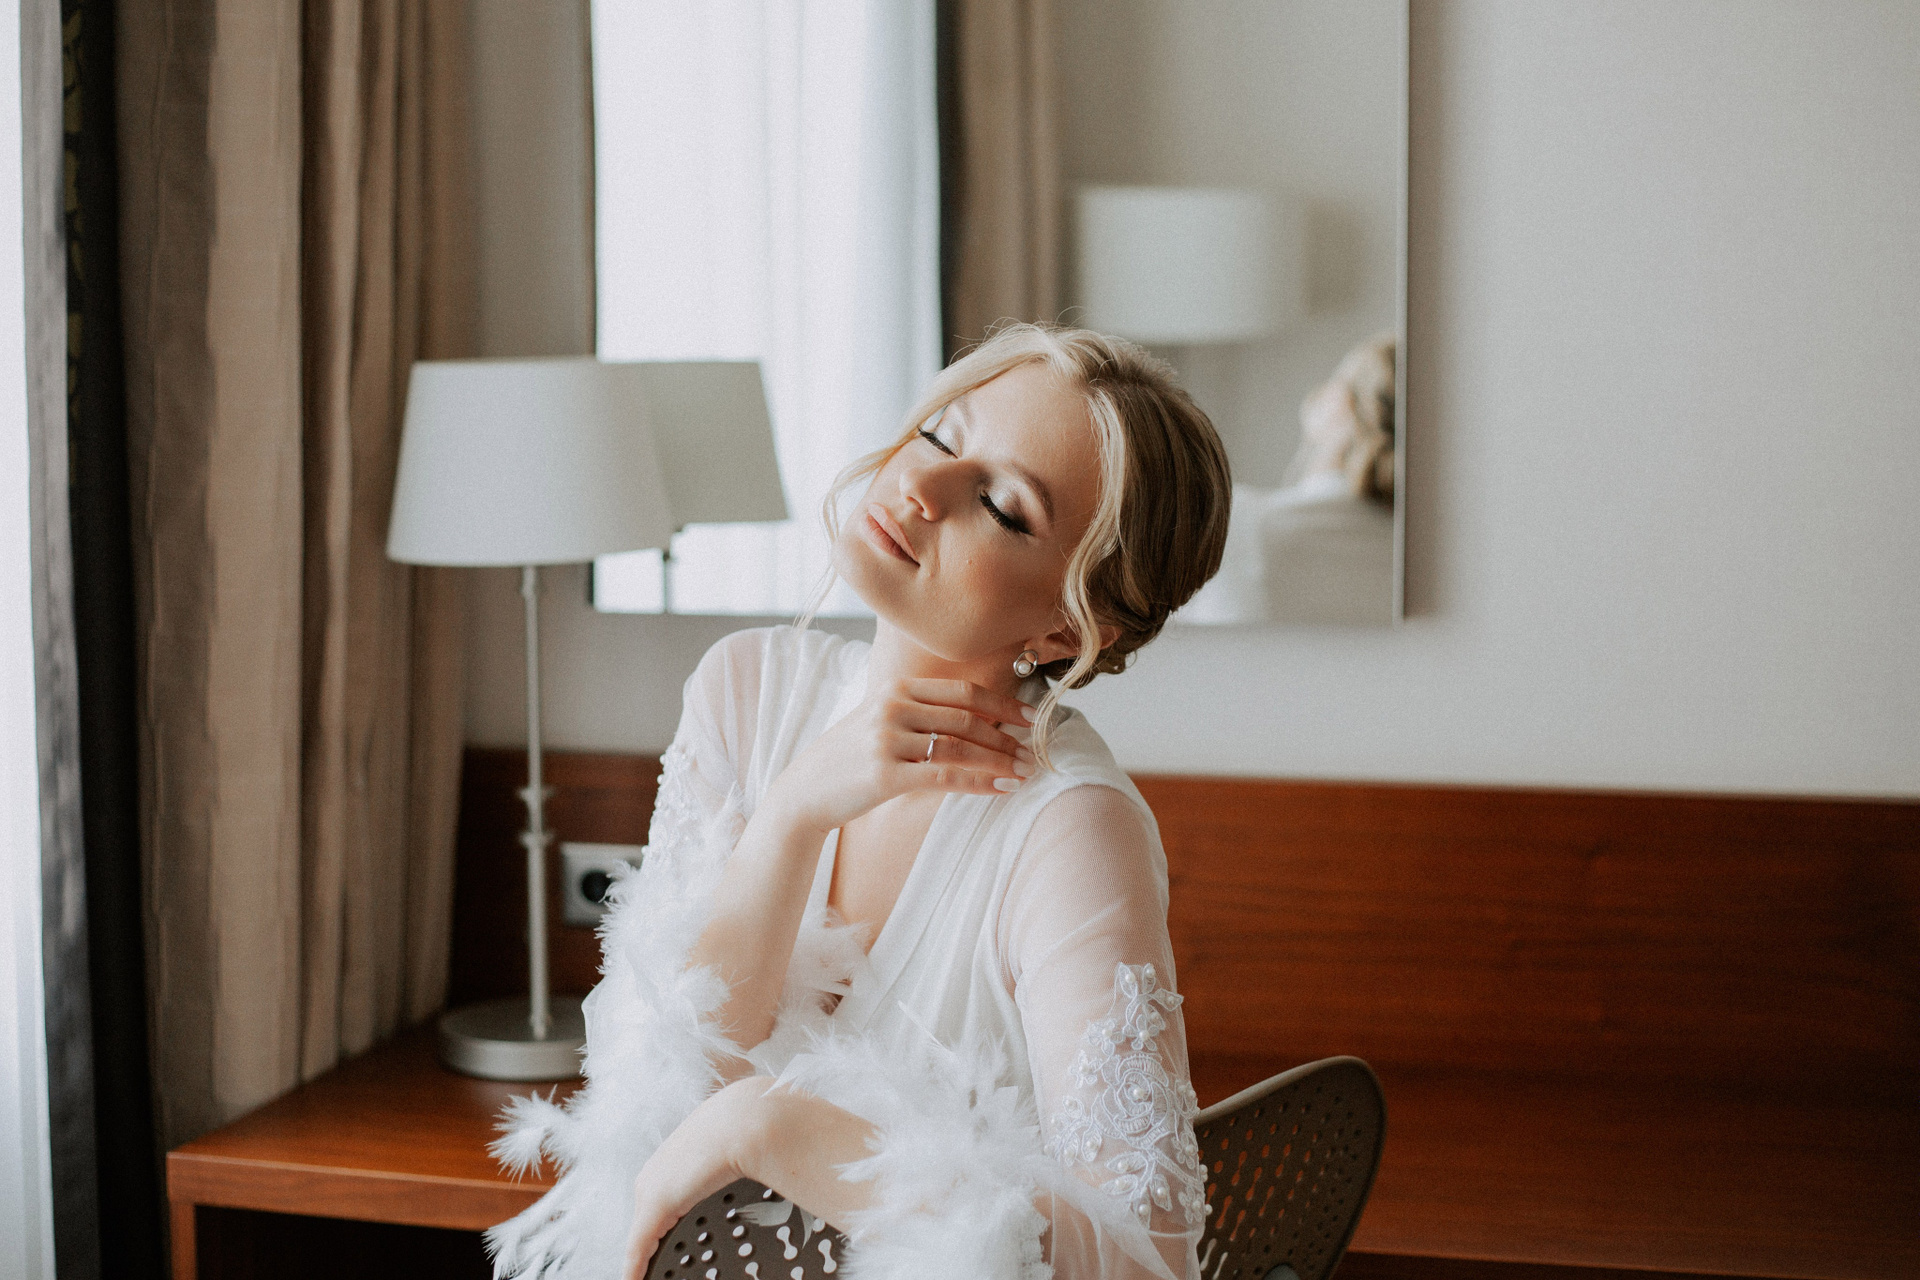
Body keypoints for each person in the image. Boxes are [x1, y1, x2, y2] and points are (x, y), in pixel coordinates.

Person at [485, 324, 1233, 1280]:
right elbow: (654, 1098)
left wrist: (774, 1128)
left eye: (1001, 506)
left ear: (1067, 627)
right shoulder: (745, 692)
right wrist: (792, 815)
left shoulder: (1070, 831)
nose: (921, 485)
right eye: (940, 435)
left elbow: (1145, 1264)